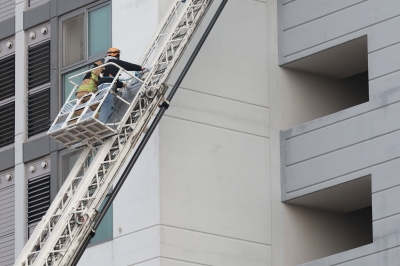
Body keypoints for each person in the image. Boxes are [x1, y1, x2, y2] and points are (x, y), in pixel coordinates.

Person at [97, 47, 145, 123]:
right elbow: (126, 65)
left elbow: (110, 78)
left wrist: (122, 84)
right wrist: (140, 68)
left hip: (101, 84)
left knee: (107, 103)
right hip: (107, 84)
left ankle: (103, 122)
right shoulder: (113, 61)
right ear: (116, 55)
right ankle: (101, 123)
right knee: (107, 104)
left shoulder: (106, 64)